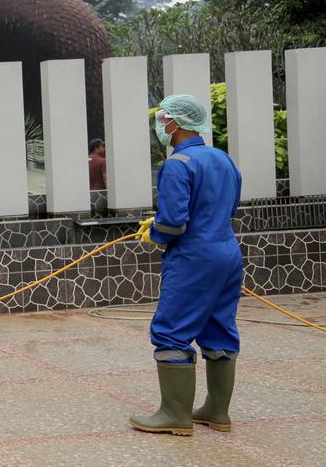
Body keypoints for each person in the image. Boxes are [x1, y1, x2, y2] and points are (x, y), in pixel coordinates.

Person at [130, 94, 241, 436]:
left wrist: (155, 232)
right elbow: (227, 207)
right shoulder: (222, 159)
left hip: (194, 257)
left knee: (171, 330)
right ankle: (217, 412)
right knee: (219, 328)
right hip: (227, 251)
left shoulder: (177, 164)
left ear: (176, 123)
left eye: (163, 118)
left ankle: (175, 415)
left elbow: (174, 223)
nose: (161, 124)